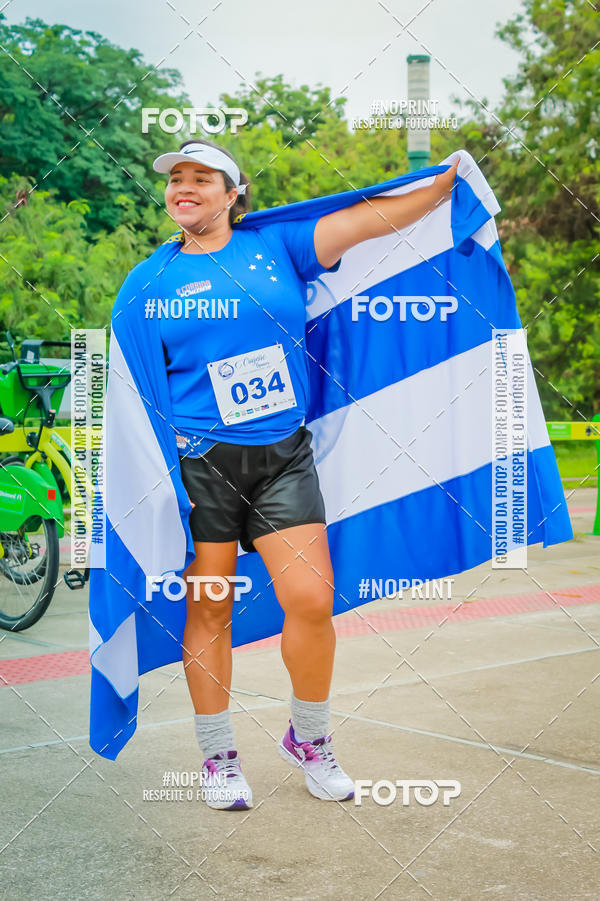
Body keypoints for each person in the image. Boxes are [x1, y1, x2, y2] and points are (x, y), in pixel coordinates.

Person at [151, 138, 459, 810]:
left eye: (202, 178)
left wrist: (439, 192)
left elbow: (368, 218)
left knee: (312, 599)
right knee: (210, 606)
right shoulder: (151, 281)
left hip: (281, 455)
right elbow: (130, 384)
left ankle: (310, 739)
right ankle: (218, 756)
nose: (185, 188)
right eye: (176, 178)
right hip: (200, 463)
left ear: (234, 194)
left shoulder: (280, 247)